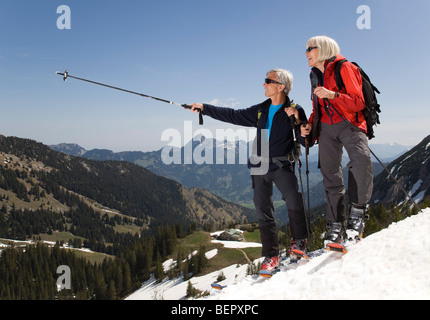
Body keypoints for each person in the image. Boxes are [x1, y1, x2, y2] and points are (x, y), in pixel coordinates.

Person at [190, 69, 309, 273]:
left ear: (281, 86)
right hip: (259, 165)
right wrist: (205, 108)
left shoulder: (294, 109)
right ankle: (271, 256)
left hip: (281, 165)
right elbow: (233, 115)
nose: (263, 84)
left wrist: (299, 121)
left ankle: (299, 243)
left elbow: (306, 139)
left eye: (268, 81)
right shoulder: (261, 109)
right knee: (264, 211)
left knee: (293, 200)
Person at [301, 36, 374, 247]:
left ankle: (358, 213)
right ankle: (335, 225)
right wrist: (310, 127)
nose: (306, 53)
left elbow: (359, 102)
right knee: (330, 173)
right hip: (326, 127)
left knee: (361, 161)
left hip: (350, 123)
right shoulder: (313, 75)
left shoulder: (345, 67)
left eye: (309, 48)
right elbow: (317, 107)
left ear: (322, 49)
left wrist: (333, 95)